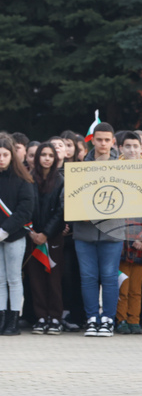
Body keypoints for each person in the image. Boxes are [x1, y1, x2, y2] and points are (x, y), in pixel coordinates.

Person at [74, 123, 122, 338]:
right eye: (99, 139)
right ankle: (92, 318)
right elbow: (71, 196)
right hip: (84, 231)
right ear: (92, 140)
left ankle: (109, 320)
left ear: (113, 141)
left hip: (113, 231)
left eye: (107, 140)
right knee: (88, 277)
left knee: (110, 277)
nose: (103, 144)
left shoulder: (124, 166)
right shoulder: (79, 166)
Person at [114, 132, 142, 336]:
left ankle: (134, 319)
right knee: (121, 283)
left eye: (135, 146)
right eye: (128, 146)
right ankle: (121, 319)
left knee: (137, 286)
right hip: (119, 236)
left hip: (141, 236)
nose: (132, 150)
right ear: (121, 148)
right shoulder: (113, 170)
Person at [26, 142, 65, 334]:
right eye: (43, 155)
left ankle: (55, 318)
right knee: (36, 279)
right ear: (37, 157)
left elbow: (61, 211)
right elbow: (25, 207)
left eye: (51, 155)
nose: (47, 158)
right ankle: (41, 317)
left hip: (53, 237)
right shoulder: (28, 179)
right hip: (32, 237)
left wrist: (46, 234)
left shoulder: (61, 180)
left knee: (53, 279)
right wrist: (32, 233)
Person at [0, 135, 37, 335]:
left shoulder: (23, 180)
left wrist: (4, 230)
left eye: (5, 155)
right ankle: (2, 317)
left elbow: (25, 210)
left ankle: (13, 319)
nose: (1, 158)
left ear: (12, 156)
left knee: (14, 279)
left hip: (14, 235)